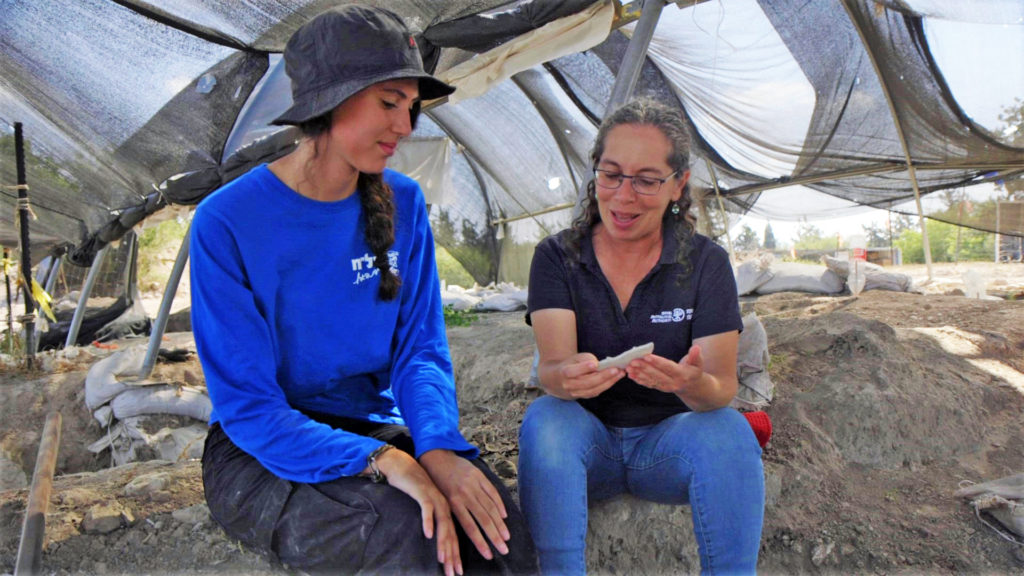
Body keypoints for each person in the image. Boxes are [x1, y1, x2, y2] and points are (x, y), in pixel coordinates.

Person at [189, 6, 538, 575]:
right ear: (327, 102)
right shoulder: (227, 222)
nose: (406, 126)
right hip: (261, 449)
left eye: (411, 106)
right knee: (402, 530)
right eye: (388, 102)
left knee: (498, 532)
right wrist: (383, 461)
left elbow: (419, 352)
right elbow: (250, 408)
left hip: (367, 423)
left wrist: (437, 447)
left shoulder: (402, 204)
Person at [518, 98, 764, 575]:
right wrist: (565, 380)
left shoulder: (704, 263)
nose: (623, 196)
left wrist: (688, 383)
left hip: (668, 447)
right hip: (587, 446)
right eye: (610, 174)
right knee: (547, 417)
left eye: (647, 180)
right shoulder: (557, 257)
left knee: (730, 431)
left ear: (678, 185)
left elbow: (721, 387)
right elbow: (552, 369)